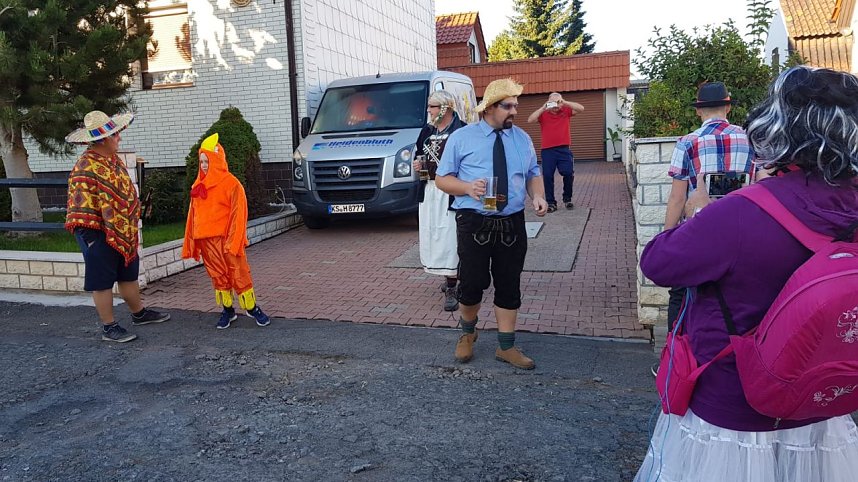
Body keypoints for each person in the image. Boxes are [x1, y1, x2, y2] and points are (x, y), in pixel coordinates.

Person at [635, 66, 858, 481]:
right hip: (821, 404)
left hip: (733, 406)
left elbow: (659, 263)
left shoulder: (740, 212)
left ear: (777, 127)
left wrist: (699, 212)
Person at [436, 78, 548, 370]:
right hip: (473, 220)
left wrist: (538, 196)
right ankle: (467, 334)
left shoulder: (522, 138)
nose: (514, 112)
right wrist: (467, 187)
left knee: (509, 283)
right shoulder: (462, 138)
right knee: (472, 282)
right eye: (508, 106)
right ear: (489, 109)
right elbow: (441, 179)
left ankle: (506, 347)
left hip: (511, 220)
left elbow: (534, 172)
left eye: (515, 106)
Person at [659, 81, 754, 370]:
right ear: (727, 107)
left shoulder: (688, 142)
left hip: (700, 230)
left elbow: (677, 197)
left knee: (682, 292)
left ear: (699, 111)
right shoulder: (751, 139)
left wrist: (667, 236)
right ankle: (734, 358)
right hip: (742, 230)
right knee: (737, 294)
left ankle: (676, 359)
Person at [65, 111, 170, 343]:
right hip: (96, 232)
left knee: (128, 274)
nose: (119, 138)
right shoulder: (85, 167)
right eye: (115, 135)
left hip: (122, 231)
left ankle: (139, 314)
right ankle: (109, 327)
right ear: (103, 139)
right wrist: (93, 238)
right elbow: (80, 207)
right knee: (102, 280)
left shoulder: (113, 161)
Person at [181, 133, 270, 329]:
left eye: (207, 161)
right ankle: (228, 310)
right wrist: (193, 241)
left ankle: (251, 307)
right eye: (201, 161)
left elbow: (239, 215)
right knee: (217, 275)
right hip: (207, 241)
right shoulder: (198, 186)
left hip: (227, 239)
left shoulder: (232, 184)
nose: (204, 166)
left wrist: (234, 240)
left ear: (217, 160)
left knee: (239, 272)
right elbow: (193, 215)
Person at [412, 90, 467, 312]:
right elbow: (418, 154)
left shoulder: (461, 131)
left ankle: (453, 284)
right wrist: (418, 165)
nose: (429, 110)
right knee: (434, 235)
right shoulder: (427, 130)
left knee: (450, 237)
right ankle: (449, 278)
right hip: (430, 191)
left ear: (445, 107)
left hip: (451, 191)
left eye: (433, 106)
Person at [526, 92, 584, 212]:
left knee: (568, 173)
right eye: (554, 102)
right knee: (547, 176)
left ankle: (567, 198)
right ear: (549, 102)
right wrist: (543, 107)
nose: (556, 105)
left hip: (564, 149)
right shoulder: (544, 114)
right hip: (548, 151)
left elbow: (581, 108)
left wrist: (564, 102)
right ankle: (551, 203)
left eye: (558, 102)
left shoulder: (566, 111)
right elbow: (530, 120)